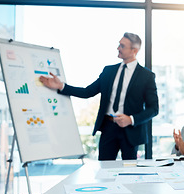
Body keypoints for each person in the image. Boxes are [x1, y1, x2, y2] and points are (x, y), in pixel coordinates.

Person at [40, 32, 159, 160]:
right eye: (119, 44)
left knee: (129, 173)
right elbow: (87, 92)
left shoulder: (146, 76)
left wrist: (131, 119)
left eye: (122, 46)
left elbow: (153, 109)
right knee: (104, 170)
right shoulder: (108, 71)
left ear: (134, 50)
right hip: (108, 128)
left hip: (130, 131)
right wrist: (61, 86)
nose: (118, 48)